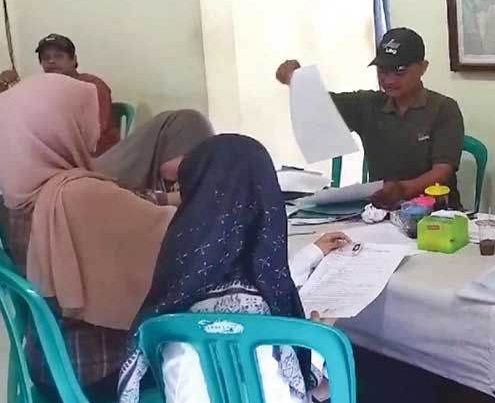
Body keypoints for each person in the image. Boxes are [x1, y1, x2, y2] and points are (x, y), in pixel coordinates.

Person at [118, 134, 342, 403]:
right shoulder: (265, 312)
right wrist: (317, 339)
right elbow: (281, 392)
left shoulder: (176, 285)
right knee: (332, 379)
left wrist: (310, 254)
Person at [0, 74, 176, 400]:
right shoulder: (78, 196)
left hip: (48, 363)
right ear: (57, 127)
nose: (93, 137)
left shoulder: (15, 197)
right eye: (82, 122)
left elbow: (125, 204)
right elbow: (172, 236)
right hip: (101, 370)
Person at [276, 27, 465, 209]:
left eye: (400, 71)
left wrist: (402, 190)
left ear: (423, 68)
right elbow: (321, 105)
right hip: (380, 210)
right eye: (383, 71)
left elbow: (442, 171)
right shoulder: (368, 104)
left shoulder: (443, 109)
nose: (389, 80)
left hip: (436, 212)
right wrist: (296, 78)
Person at [0, 34, 120, 154]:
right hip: (59, 152)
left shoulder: (91, 86)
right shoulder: (45, 88)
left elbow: (93, 133)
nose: (51, 61)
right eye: (46, 58)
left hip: (98, 156)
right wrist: (3, 84)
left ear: (73, 60)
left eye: (59, 56)